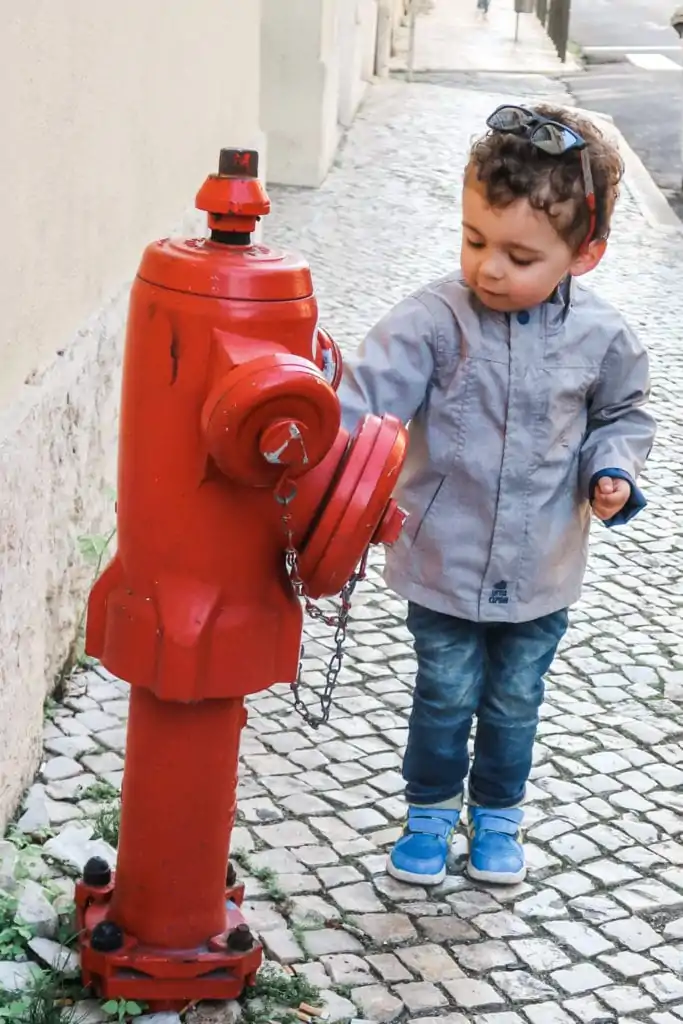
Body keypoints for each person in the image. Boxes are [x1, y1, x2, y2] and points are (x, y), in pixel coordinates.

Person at [336, 104, 656, 887]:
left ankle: (498, 816)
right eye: (474, 240)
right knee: (444, 694)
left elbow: (621, 415)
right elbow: (362, 404)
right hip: (441, 561)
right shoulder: (431, 321)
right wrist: (320, 456)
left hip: (541, 567)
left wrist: (611, 470)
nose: (488, 268)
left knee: (514, 701)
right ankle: (428, 813)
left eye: (520, 255)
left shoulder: (604, 338)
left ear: (585, 254)